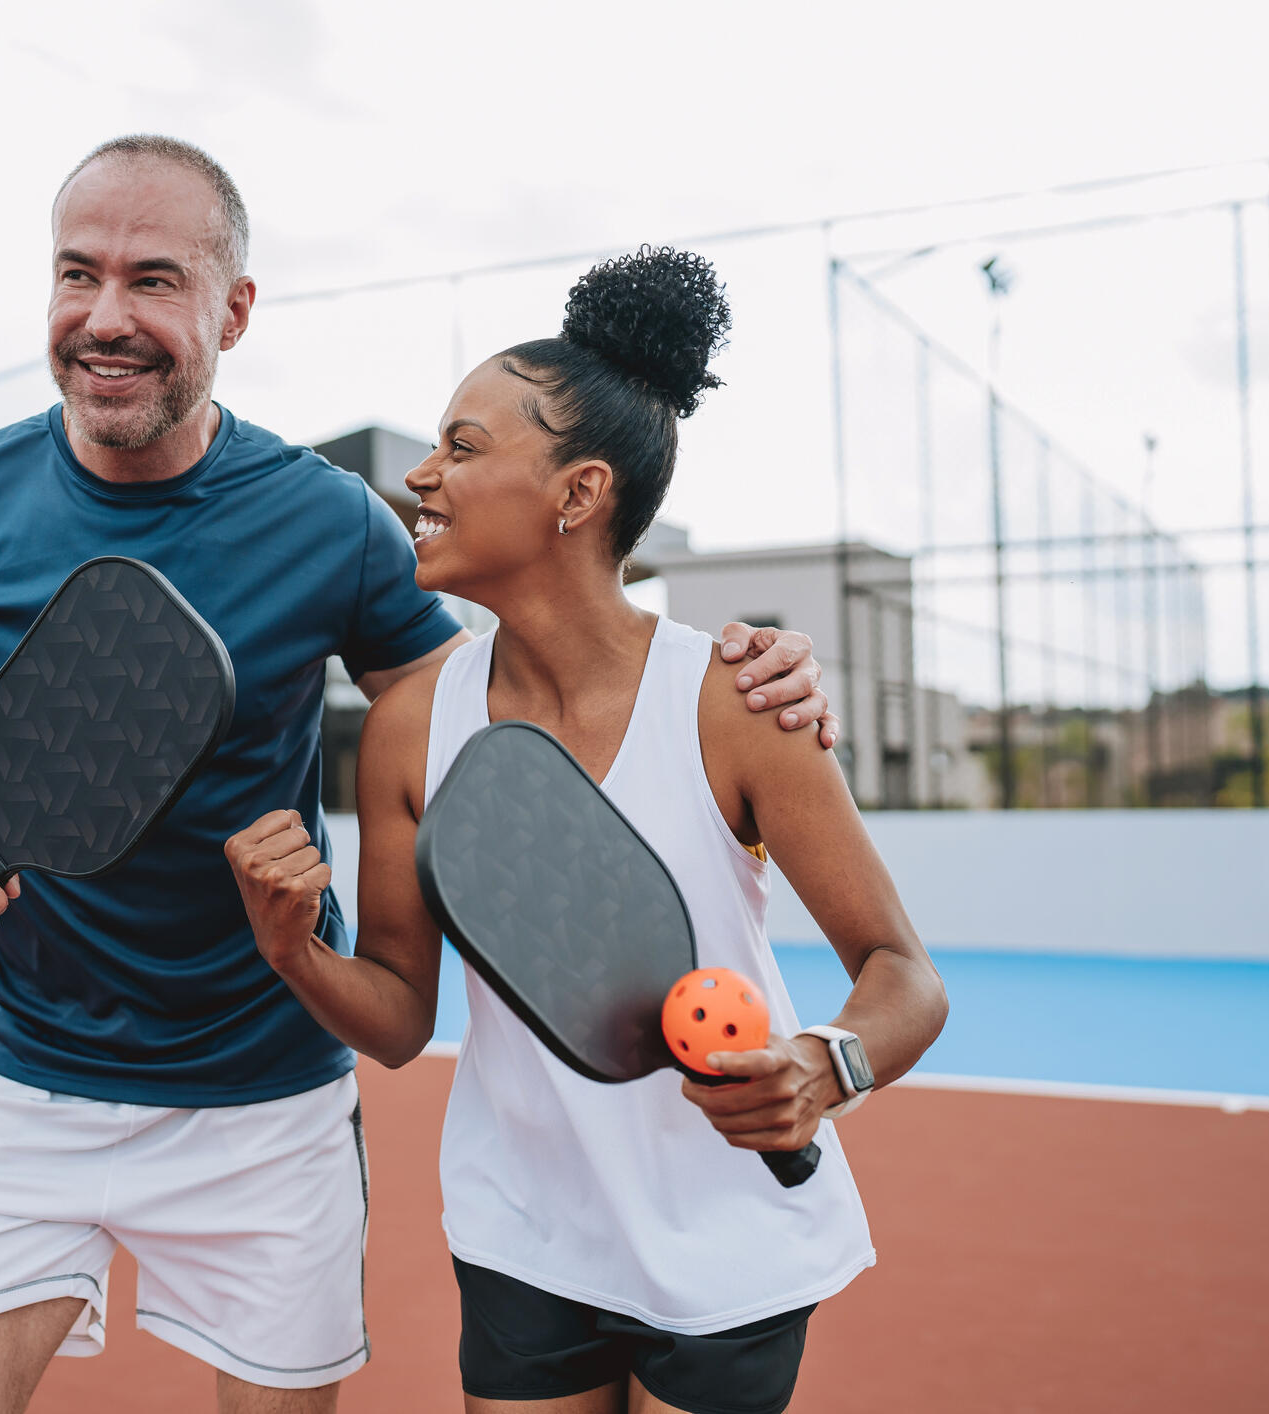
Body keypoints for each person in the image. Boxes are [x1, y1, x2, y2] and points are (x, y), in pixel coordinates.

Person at [0, 136, 840, 1414]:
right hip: (22, 1087)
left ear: (234, 310)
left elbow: (504, 700)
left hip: (266, 1102)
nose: (106, 316)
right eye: (78, 275)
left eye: (154, 280)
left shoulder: (328, 520)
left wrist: (737, 673)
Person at [225, 247, 948, 1414]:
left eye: (463, 447)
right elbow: (403, 1018)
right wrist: (294, 949)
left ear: (578, 493)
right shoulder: (410, 725)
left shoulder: (735, 701)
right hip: (526, 1235)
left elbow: (902, 973)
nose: (420, 475)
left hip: (730, 1242)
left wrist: (826, 1066)